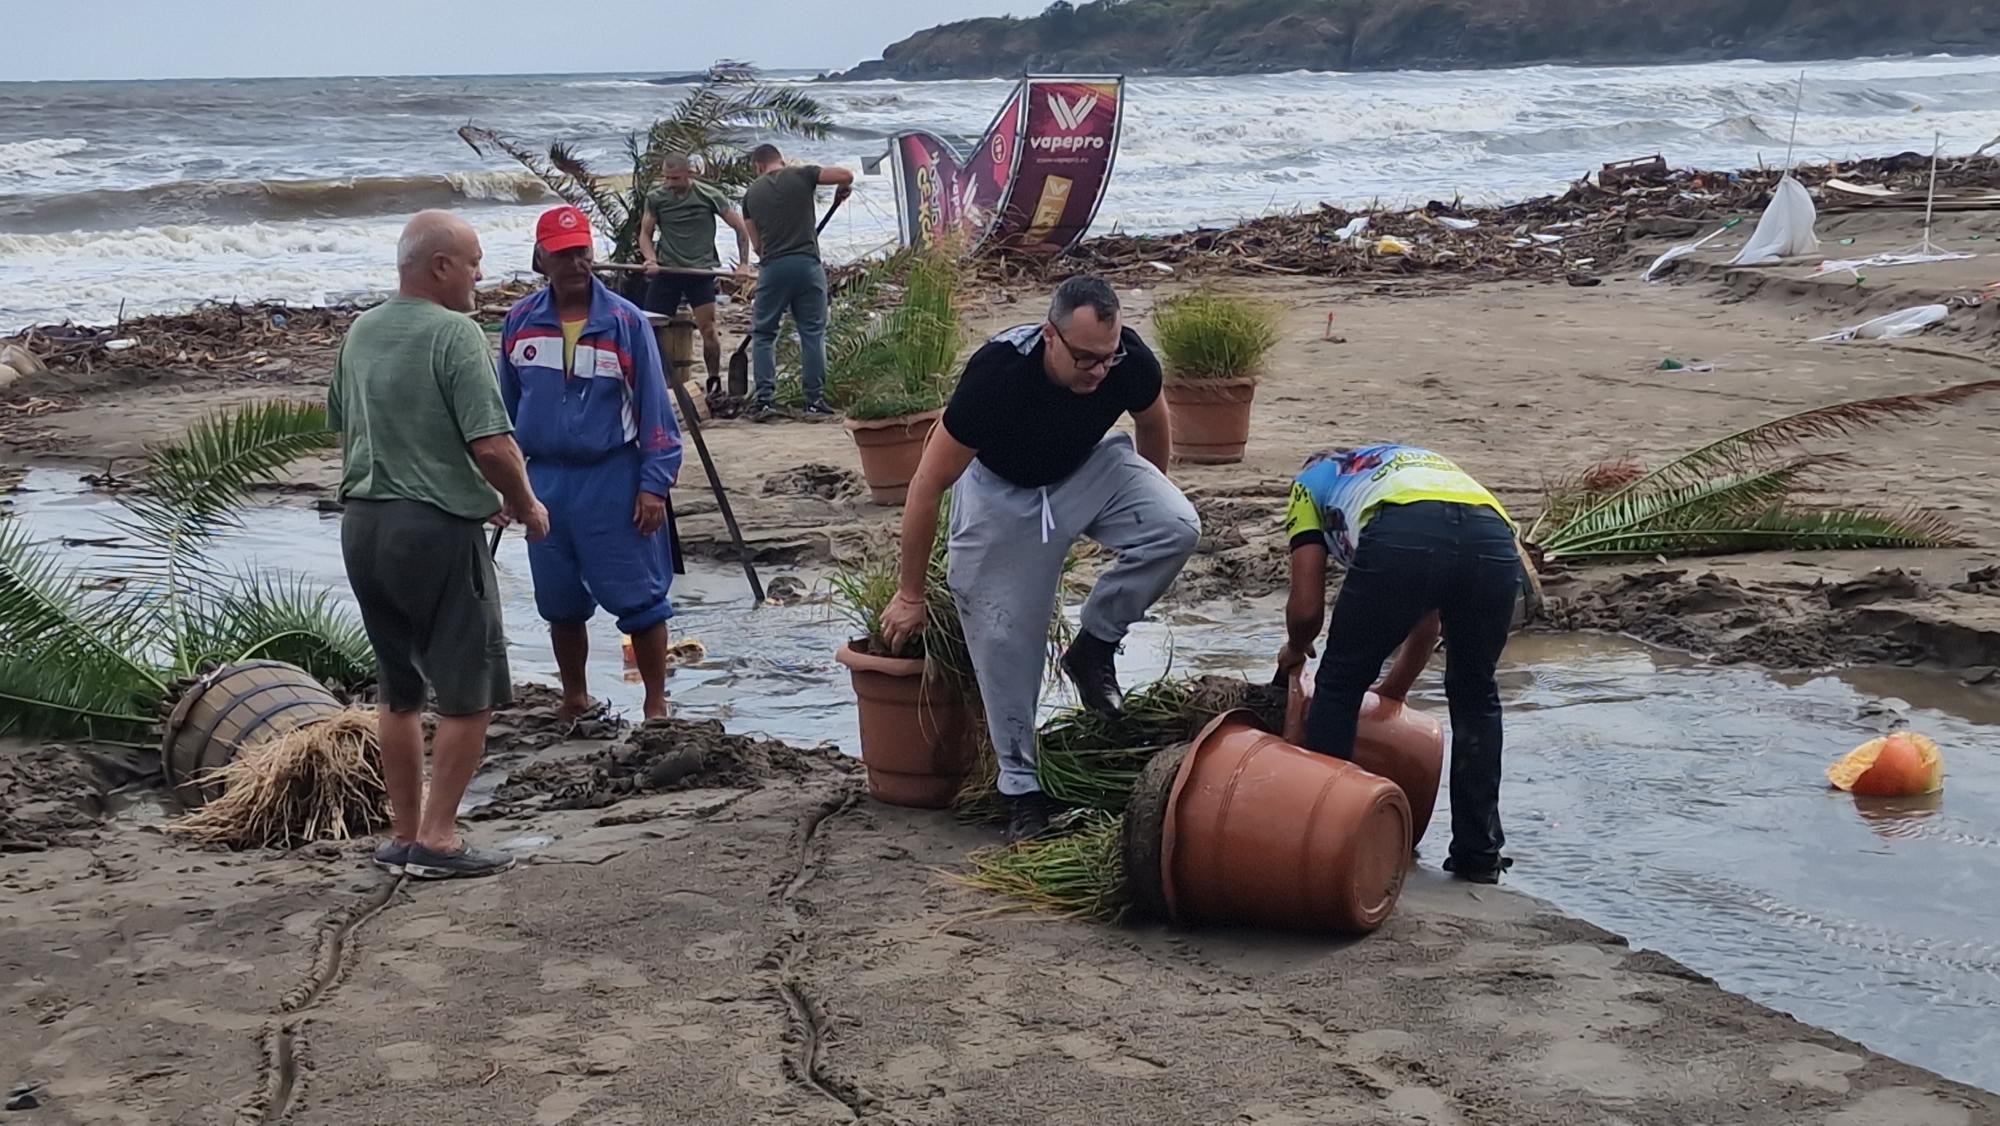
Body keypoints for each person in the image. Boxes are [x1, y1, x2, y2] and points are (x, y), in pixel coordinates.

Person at [881, 276, 1200, 842]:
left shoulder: (1126, 360)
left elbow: (1153, 422)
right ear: (1050, 337)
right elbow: (927, 483)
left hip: (1088, 469)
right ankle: (1021, 790)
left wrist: (1146, 497)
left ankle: (1094, 646)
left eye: (1109, 356)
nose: (1100, 371)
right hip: (1000, 495)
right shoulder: (997, 376)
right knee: (1004, 641)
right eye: (1085, 359)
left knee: (1175, 525)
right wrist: (910, 596)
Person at [330, 209, 549, 881]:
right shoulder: (456, 335)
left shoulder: (362, 330)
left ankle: (403, 835)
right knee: (469, 690)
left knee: (398, 691)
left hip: (363, 526)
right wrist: (524, 503)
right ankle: (440, 838)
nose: (482, 274)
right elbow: (491, 442)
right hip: (433, 529)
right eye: (474, 261)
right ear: (439, 266)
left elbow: (343, 420)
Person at [1275, 445, 1522, 884]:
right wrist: (1392, 693)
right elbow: (1424, 618)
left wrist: (1296, 648)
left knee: (1340, 685)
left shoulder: (1309, 485)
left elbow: (1307, 607)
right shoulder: (1400, 464)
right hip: (1493, 534)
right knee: (1476, 696)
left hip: (1405, 533)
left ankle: (1326, 842)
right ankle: (1478, 855)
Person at [499, 206, 685, 721]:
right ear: (541, 259)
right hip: (546, 480)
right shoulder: (518, 323)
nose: (577, 263)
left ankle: (654, 702)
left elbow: (655, 410)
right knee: (558, 598)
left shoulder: (625, 322)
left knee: (641, 598)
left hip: (613, 476)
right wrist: (505, 488)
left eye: (583, 251)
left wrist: (653, 485)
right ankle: (575, 697)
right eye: (564, 255)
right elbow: (504, 412)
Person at [739, 143, 852, 421]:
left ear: (758, 166)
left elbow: (756, 245)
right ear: (782, 160)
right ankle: (814, 401)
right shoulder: (802, 175)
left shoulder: (751, 194)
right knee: (812, 333)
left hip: (774, 268)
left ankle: (765, 400)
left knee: (764, 334)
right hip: (807, 266)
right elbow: (845, 174)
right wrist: (841, 190)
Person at [639, 153, 754, 389]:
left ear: (689, 174)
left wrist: (744, 264)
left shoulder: (708, 195)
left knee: (708, 329)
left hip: (699, 272)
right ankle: (651, 380)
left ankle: (713, 379)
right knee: (649, 328)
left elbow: (740, 228)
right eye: (667, 178)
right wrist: (650, 259)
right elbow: (645, 234)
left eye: (676, 178)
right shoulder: (656, 198)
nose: (670, 183)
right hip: (667, 271)